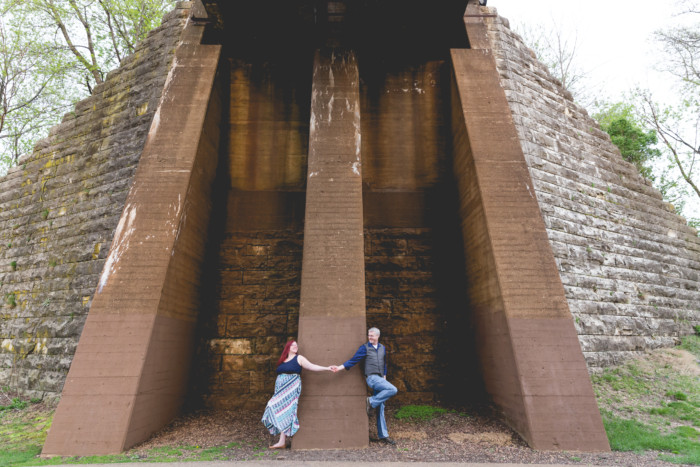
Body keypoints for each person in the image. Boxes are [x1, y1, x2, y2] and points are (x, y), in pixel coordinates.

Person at [330, 327, 398, 445]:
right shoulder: (364, 348)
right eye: (369, 335)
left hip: (381, 379)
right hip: (372, 378)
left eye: (372, 335)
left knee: (381, 407)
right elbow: (353, 360)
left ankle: (383, 435)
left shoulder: (382, 348)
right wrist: (339, 367)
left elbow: (384, 363)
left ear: (377, 336)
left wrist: (385, 376)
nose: (369, 337)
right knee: (393, 389)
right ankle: (371, 401)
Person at [262, 340, 332, 449]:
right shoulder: (283, 360)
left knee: (286, 411)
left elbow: (312, 366)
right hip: (280, 390)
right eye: (293, 345)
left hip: (291, 388)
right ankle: (282, 441)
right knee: (276, 409)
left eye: (296, 345)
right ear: (288, 347)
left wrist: (327, 368)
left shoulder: (299, 358)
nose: (295, 346)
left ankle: (282, 441)